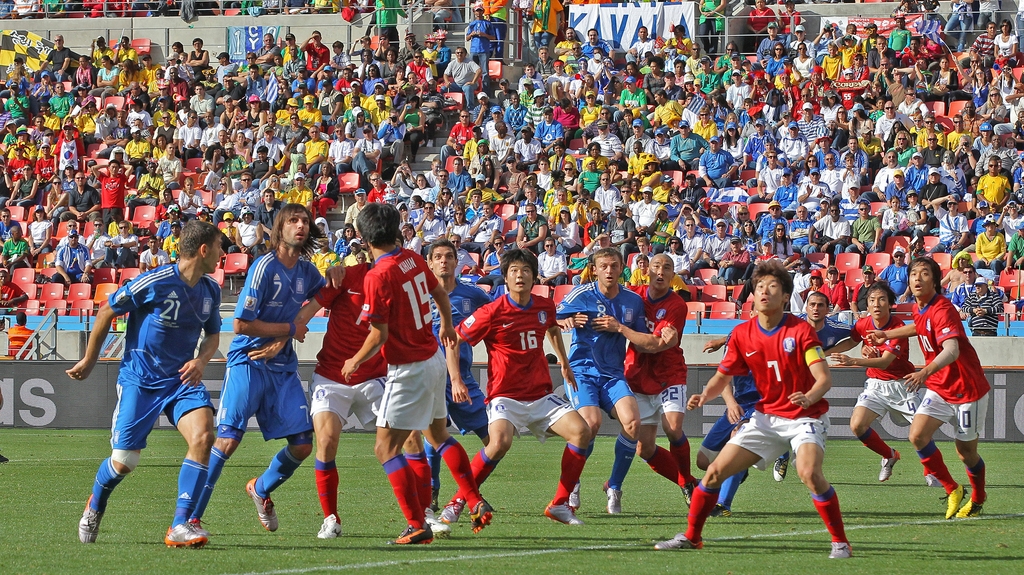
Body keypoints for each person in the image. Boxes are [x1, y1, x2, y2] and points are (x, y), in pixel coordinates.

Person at [655, 260, 850, 559]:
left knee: (809, 473)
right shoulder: (743, 333)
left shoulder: (800, 332)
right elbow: (723, 375)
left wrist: (809, 397)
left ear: (786, 296)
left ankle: (840, 542)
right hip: (765, 417)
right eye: (760, 287)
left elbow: (823, 378)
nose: (765, 292)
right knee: (713, 472)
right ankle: (692, 537)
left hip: (804, 416)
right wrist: (704, 395)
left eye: (773, 287)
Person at [68, 221, 224, 548]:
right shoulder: (156, 281)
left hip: (181, 378)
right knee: (124, 462)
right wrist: (89, 360)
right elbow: (107, 309)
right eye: (220, 246)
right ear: (204, 250)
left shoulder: (210, 290)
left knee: (204, 435)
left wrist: (201, 361)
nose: (224, 253)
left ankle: (180, 525)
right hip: (142, 379)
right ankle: (96, 502)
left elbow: (212, 334)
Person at [343, 203, 491, 545]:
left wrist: (355, 360)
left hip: (408, 368)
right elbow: (440, 292)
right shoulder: (411, 259)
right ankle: (473, 498)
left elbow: (377, 334)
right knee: (438, 436)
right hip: (434, 359)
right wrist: (448, 326)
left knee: (384, 448)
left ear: (363, 238)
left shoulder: (377, 275)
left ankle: (416, 523)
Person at [188, 204, 333, 534]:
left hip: (282, 367)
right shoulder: (264, 268)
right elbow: (240, 324)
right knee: (226, 442)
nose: (301, 226)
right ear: (280, 227)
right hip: (248, 362)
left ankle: (261, 488)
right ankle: (191, 517)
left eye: (305, 222)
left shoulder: (308, 272)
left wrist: (336, 276)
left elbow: (322, 297)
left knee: (302, 445)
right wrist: (289, 331)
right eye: (294, 221)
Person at [445, 246, 590, 524]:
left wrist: (563, 361)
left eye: (525, 270)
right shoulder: (491, 311)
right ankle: (458, 501)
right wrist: (455, 378)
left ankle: (559, 503)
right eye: (514, 271)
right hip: (506, 396)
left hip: (540, 394)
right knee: (499, 443)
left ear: (534, 277)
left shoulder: (543, 305)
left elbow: (551, 328)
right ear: (506, 278)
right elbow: (453, 339)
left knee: (582, 432)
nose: (520, 276)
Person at [866, 257, 990, 519]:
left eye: (924, 274)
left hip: (966, 389)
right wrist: (886, 335)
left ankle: (978, 496)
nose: (917, 278)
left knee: (966, 453)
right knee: (917, 436)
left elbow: (952, 350)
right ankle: (953, 488)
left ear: (935, 280)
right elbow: (919, 327)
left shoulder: (943, 309)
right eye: (913, 274)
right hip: (939, 386)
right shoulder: (919, 308)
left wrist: (924, 371)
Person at [556, 248, 675, 512]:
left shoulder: (632, 301)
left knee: (633, 422)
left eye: (614, 266)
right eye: (603, 266)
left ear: (622, 268)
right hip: (582, 371)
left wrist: (659, 337)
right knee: (590, 423)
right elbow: (551, 316)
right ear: (595, 269)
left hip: (613, 374)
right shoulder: (582, 293)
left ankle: (615, 487)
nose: (609, 271)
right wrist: (569, 319)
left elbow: (643, 339)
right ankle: (573, 482)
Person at [610, 253, 696, 510]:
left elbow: (653, 347)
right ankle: (689, 483)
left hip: (669, 375)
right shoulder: (632, 297)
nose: (661, 271)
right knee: (644, 449)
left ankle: (686, 484)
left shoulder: (677, 305)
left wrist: (623, 330)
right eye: (656, 266)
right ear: (646, 270)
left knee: (672, 429)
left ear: (673, 276)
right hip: (637, 376)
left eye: (667, 268)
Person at [828, 282, 922, 483]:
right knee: (857, 425)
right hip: (876, 385)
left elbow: (885, 361)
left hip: (902, 386)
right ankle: (889, 455)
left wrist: (855, 360)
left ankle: (931, 471)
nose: (876, 304)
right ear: (867, 306)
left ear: (890, 304)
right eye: (872, 301)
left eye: (881, 300)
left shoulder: (898, 328)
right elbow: (853, 342)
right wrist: (824, 353)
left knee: (922, 433)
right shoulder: (863, 324)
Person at [425, 239, 491, 524]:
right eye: (437, 257)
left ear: (457, 262)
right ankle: (432, 490)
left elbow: (495, 318)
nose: (443, 261)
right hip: (429, 376)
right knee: (432, 436)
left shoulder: (473, 295)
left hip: (462, 378)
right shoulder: (418, 295)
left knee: (494, 438)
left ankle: (464, 493)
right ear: (429, 263)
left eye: (448, 257)